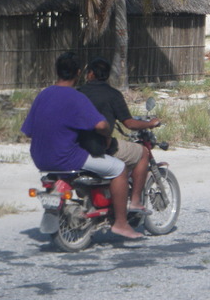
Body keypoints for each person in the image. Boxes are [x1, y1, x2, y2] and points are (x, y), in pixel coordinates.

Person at [20, 52, 143, 240]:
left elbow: (28, 131)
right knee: (119, 168)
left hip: (40, 158)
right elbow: (100, 125)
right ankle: (121, 223)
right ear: (79, 73)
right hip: (66, 158)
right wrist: (106, 132)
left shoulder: (43, 95)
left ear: (57, 71)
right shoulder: (76, 96)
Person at [78, 56, 161, 214]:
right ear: (107, 75)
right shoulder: (113, 94)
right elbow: (129, 123)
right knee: (143, 153)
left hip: (78, 145)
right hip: (101, 146)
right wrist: (150, 123)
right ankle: (135, 201)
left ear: (90, 74)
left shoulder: (78, 93)